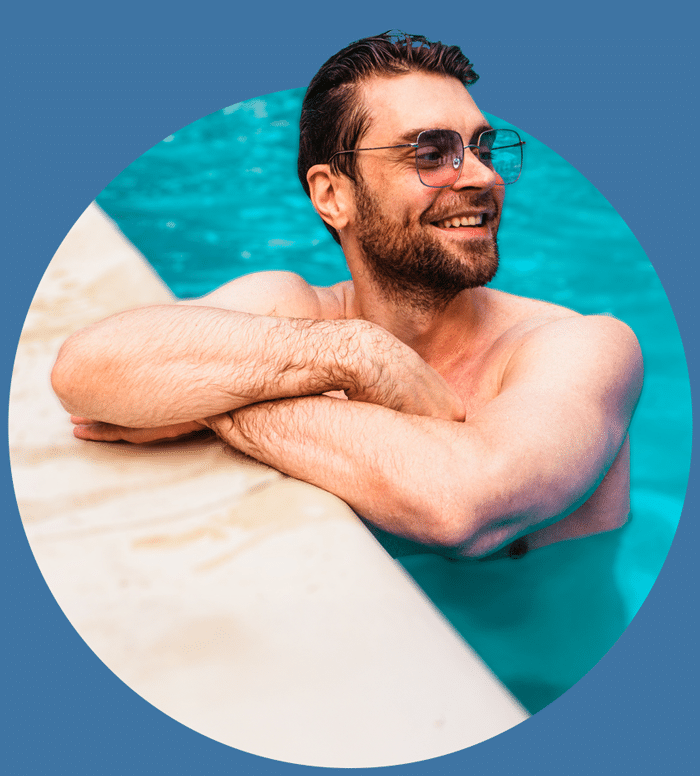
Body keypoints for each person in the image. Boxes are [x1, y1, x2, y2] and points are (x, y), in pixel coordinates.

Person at [52, 34, 642, 706]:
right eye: (432, 152)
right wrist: (361, 356)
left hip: (536, 704)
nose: (482, 175)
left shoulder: (580, 346)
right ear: (334, 194)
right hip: (352, 690)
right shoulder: (304, 314)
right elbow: (86, 370)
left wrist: (213, 401)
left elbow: (460, 507)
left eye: (481, 146)